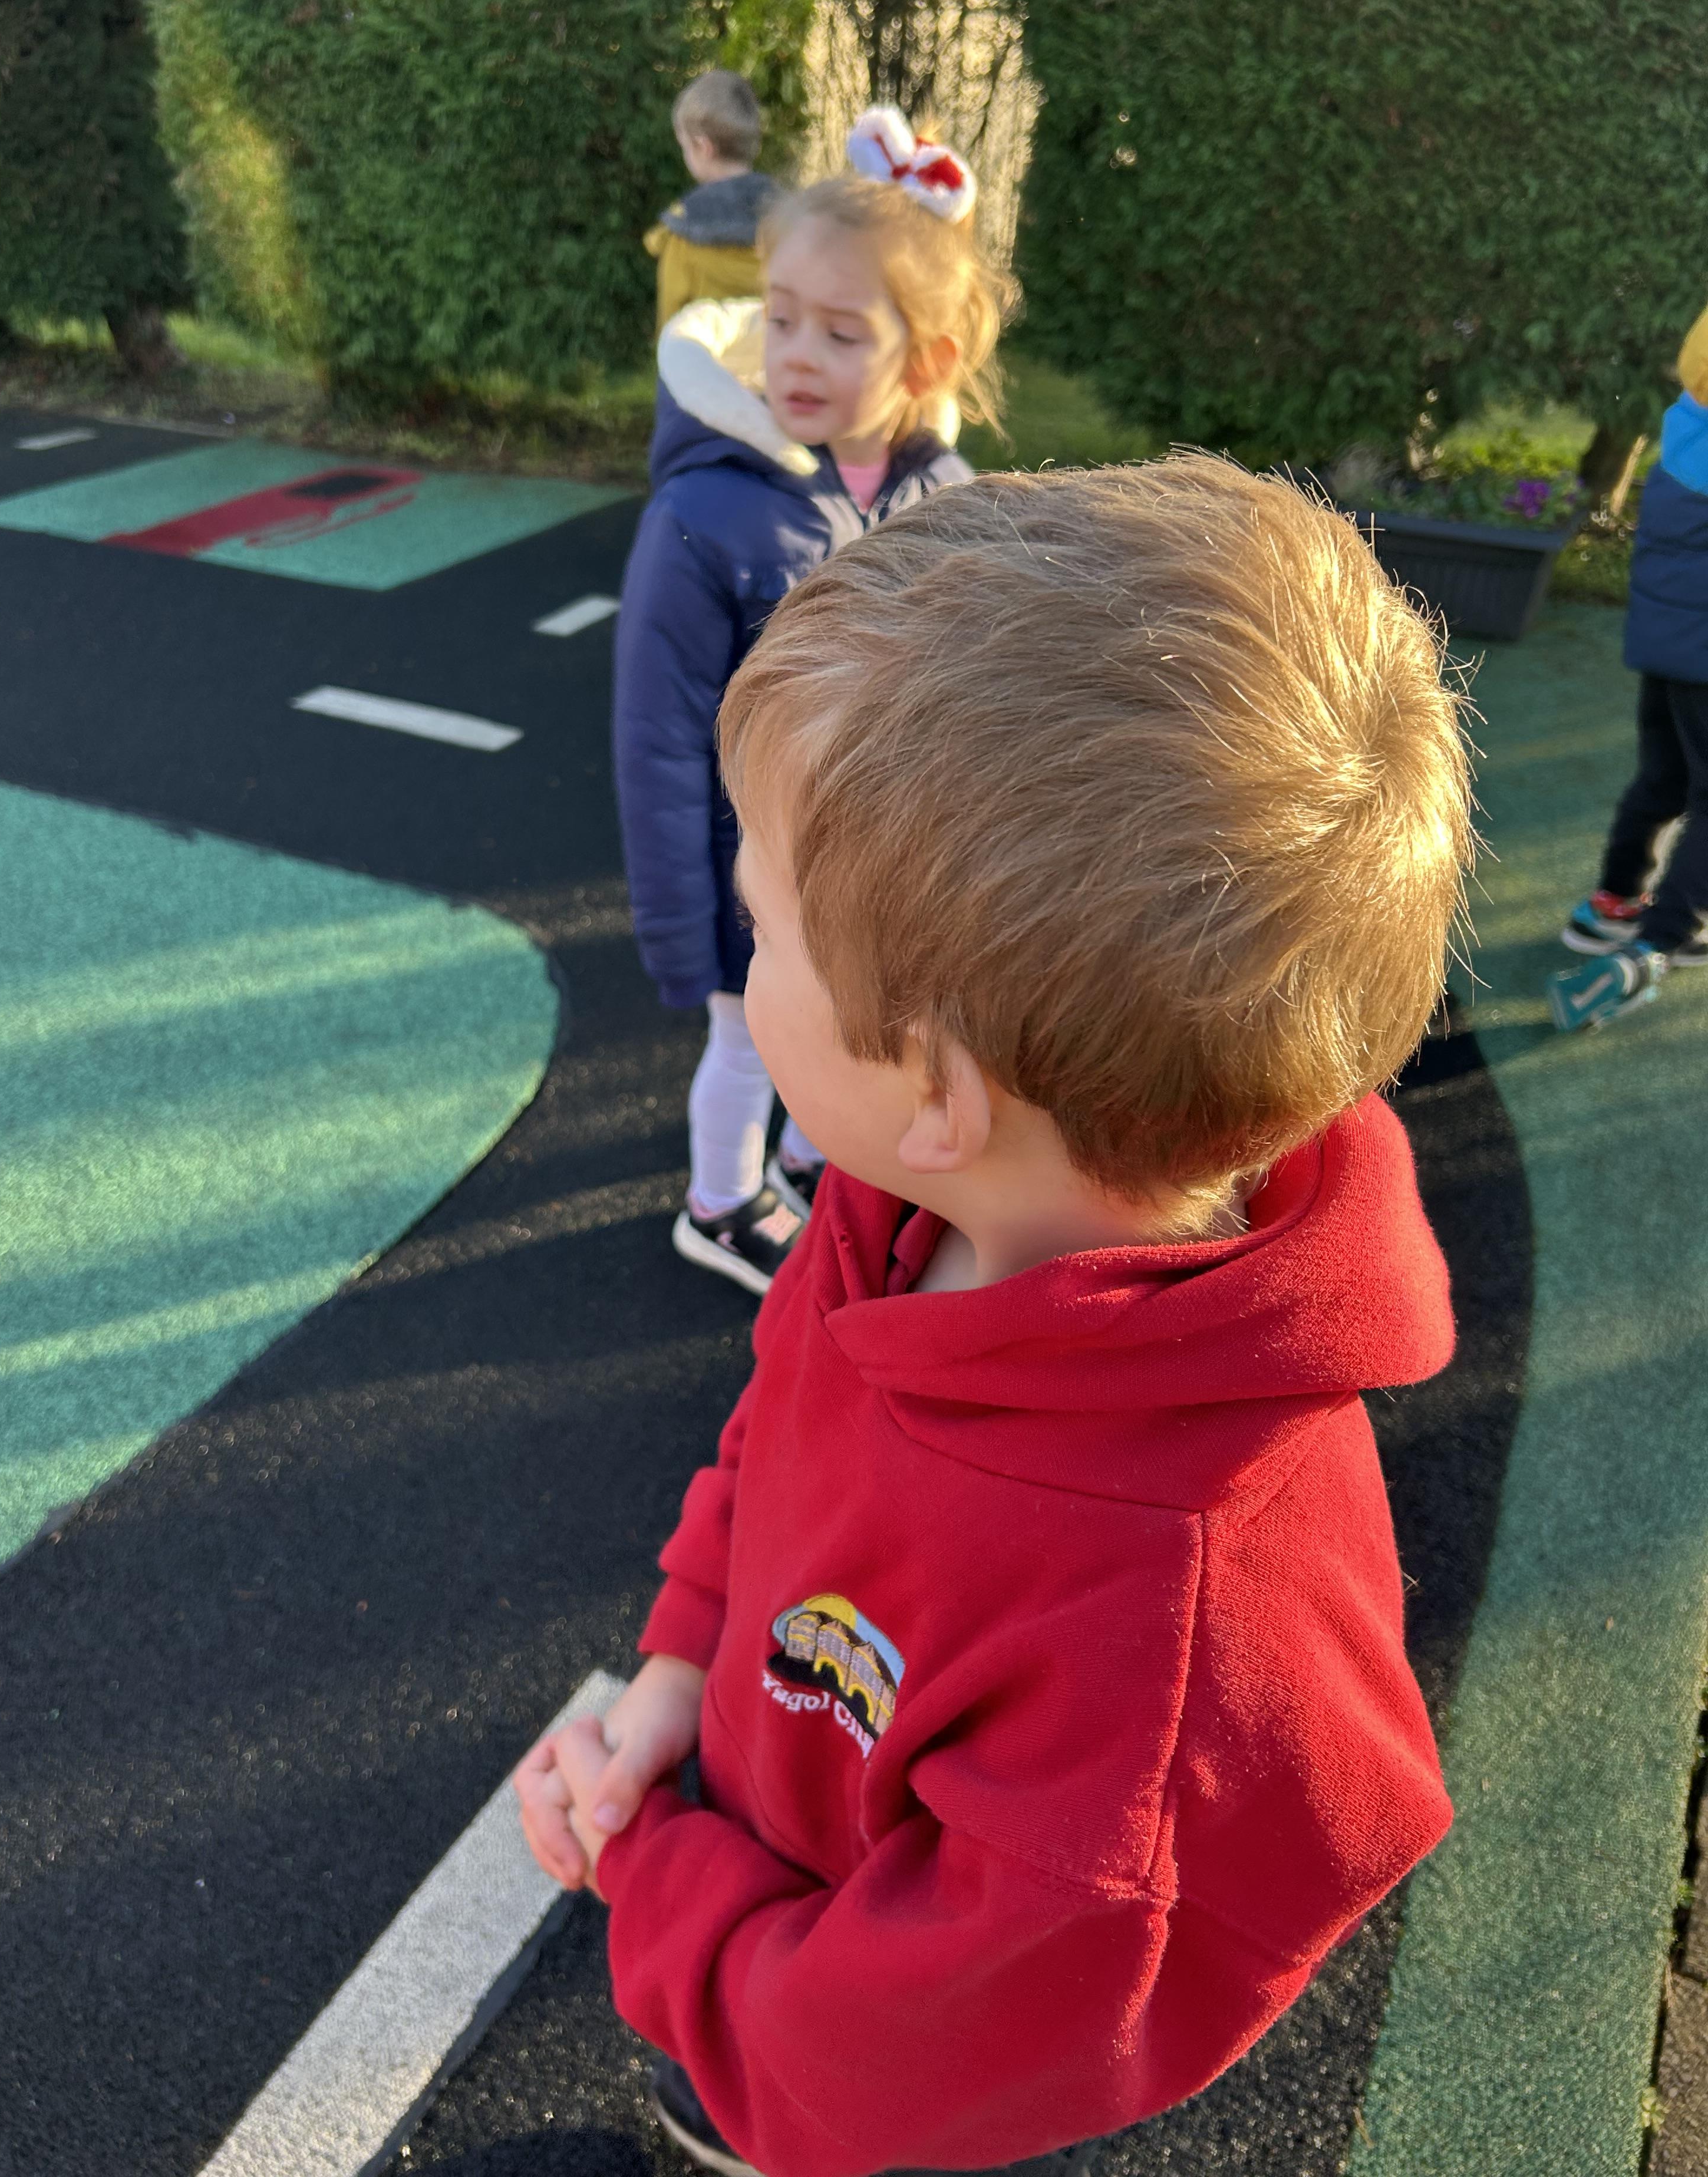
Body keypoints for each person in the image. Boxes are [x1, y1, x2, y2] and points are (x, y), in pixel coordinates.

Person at [522, 458, 1473, 2177]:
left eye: (766, 924)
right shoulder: (902, 1212)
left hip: (821, 2027)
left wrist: (647, 1875)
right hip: (754, 1857)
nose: (743, 947)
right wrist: (675, 1675)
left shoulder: (1169, 1651)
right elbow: (775, 1437)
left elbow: (875, 2055)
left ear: (940, 1090)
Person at [614, 104, 1010, 1295]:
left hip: (866, 866)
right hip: (752, 872)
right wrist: (682, 924)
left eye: (840, 333)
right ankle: (721, 1203)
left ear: (924, 362)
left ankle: (802, 1159)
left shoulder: (939, 496)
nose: (793, 354)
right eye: (780, 317)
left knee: (845, 1029)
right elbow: (658, 739)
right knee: (745, 1037)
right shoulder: (705, 516)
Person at [1548, 305, 1708, 1030]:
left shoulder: (1686, 427)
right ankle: (1658, 944)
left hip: (1666, 651)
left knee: (1663, 780)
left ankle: (1611, 904)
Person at [645, 70, 781, 332]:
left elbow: (672, 331)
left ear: (703, 147)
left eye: (684, 146)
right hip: (776, 355)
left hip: (707, 357)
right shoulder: (795, 221)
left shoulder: (683, 234)